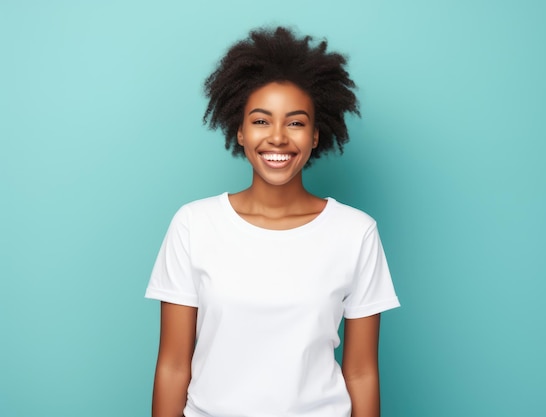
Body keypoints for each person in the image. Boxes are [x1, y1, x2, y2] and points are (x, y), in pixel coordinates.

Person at [146, 26, 400, 417]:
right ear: (240, 131)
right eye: (261, 121)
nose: (278, 138)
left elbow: (362, 372)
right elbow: (173, 365)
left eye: (295, 123)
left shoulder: (355, 232)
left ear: (316, 135)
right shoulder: (194, 225)